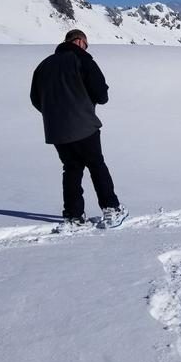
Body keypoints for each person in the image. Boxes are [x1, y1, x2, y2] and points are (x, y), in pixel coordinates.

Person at [30, 29, 127, 230]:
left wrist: (53, 114)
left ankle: (73, 217)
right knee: (96, 164)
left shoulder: (43, 65)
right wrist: (83, 103)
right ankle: (111, 208)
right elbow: (102, 95)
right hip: (83, 123)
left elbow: (35, 98)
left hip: (56, 130)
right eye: (86, 44)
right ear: (80, 41)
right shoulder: (82, 60)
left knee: (71, 169)